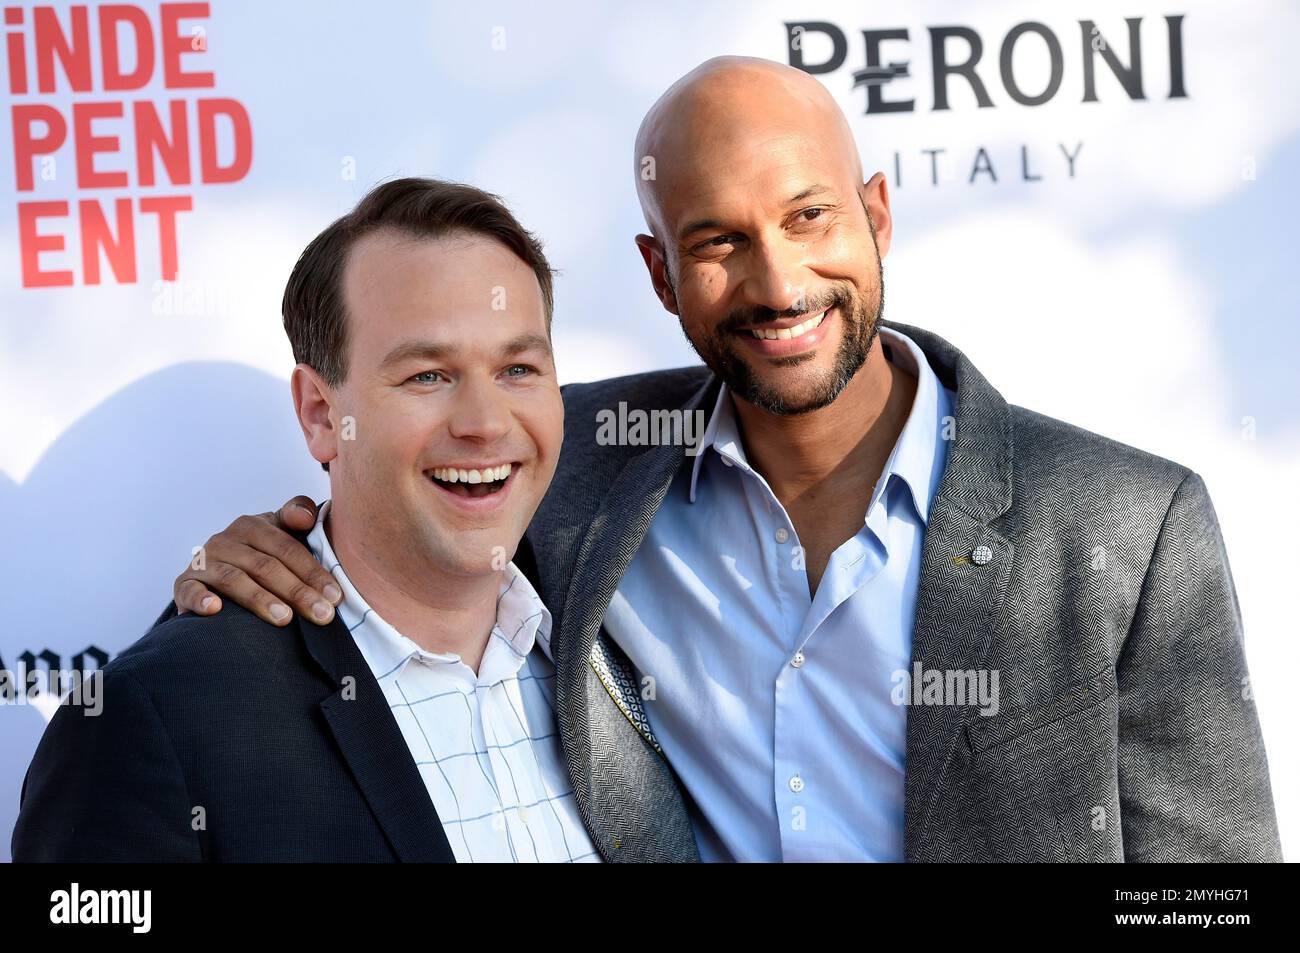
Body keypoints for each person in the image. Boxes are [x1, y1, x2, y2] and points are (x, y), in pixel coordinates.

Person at [161, 57, 1281, 862]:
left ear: (876, 216)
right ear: (660, 274)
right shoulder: (578, 463)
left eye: (807, 218)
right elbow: (420, 482)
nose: (778, 281)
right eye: (717, 242)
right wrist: (260, 549)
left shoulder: (1124, 522)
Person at [13, 178, 600, 862]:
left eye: (518, 368)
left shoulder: (617, 620)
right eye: (427, 376)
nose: (485, 423)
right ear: (322, 414)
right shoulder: (163, 720)